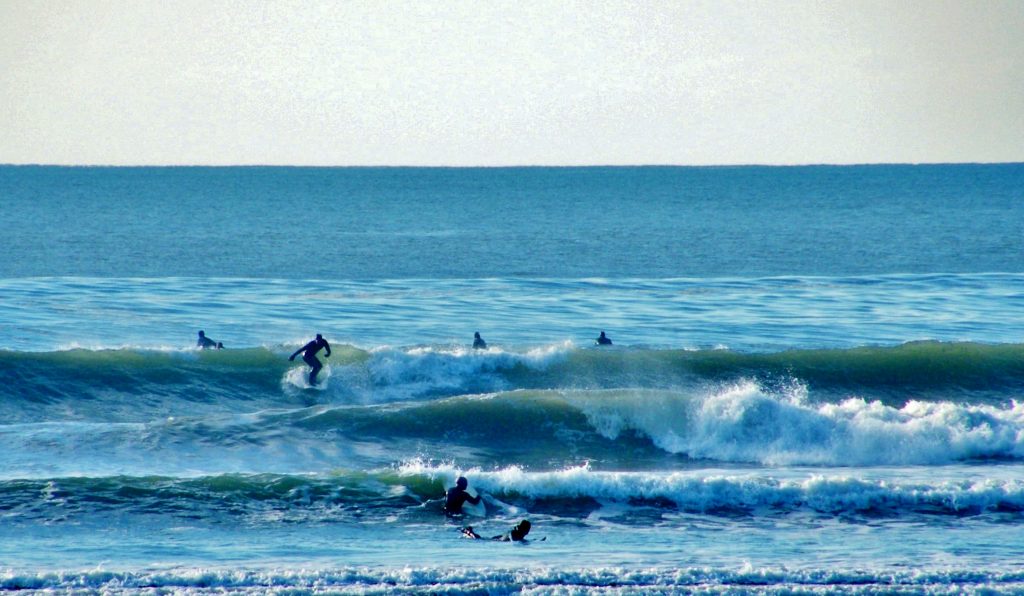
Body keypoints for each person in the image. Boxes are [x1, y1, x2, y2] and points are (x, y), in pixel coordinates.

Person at [461, 520, 532, 542]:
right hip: (497, 540)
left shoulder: (518, 535)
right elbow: (512, 538)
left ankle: (469, 531)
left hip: (498, 538)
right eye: (518, 526)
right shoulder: (514, 533)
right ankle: (468, 531)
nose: (517, 527)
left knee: (481, 538)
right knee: (478, 539)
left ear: (527, 532)